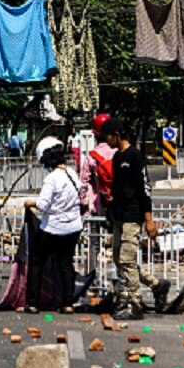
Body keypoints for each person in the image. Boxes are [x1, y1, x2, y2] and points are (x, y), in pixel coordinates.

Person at [100, 118, 170, 319]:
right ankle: (156, 285)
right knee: (118, 259)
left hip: (133, 215)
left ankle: (135, 302)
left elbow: (144, 190)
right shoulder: (116, 158)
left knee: (127, 259)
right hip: (119, 216)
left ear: (117, 135)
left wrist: (149, 220)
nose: (106, 140)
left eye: (108, 136)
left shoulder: (135, 157)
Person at [23, 136, 84, 314]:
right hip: (73, 227)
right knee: (66, 263)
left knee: (37, 262)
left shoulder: (52, 178)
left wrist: (29, 203)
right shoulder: (72, 174)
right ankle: (67, 303)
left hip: (53, 227)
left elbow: (43, 205)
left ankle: (33, 302)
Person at [80, 113, 116, 272]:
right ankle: (118, 280)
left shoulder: (91, 157)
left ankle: (91, 278)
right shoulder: (118, 154)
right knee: (118, 244)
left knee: (94, 243)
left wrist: (83, 202)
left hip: (96, 208)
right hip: (116, 207)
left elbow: (83, 183)